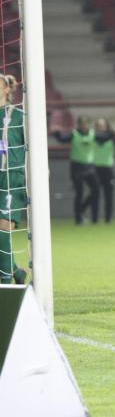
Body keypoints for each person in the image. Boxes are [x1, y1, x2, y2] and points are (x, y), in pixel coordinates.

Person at [53, 115, 113, 225]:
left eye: (86, 124)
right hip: (77, 166)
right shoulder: (74, 134)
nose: (84, 126)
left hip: (89, 166)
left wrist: (112, 132)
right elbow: (62, 139)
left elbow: (104, 138)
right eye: (82, 124)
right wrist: (56, 132)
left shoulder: (92, 134)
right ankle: (78, 218)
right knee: (79, 193)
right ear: (79, 125)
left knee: (96, 189)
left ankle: (82, 210)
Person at [0, 74, 27, 284]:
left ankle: (5, 280)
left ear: (8, 89)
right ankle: (16, 271)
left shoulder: (19, 116)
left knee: (3, 225)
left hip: (10, 177)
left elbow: (33, 146)